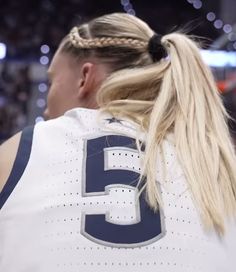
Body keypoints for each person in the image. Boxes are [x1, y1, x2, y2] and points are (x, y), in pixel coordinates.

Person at [0, 12, 236, 272]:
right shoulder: (216, 164)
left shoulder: (22, 149)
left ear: (84, 78)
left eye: (52, 81)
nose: (45, 110)